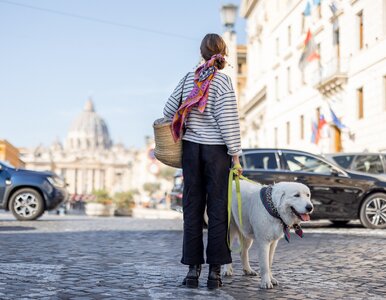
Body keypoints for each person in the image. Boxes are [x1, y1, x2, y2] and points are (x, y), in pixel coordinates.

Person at [163, 33, 242, 289]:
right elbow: (228, 120)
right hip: (216, 152)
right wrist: (236, 156)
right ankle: (214, 274)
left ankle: (192, 272)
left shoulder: (189, 78)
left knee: (192, 209)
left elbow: (168, 110)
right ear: (223, 54)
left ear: (202, 53)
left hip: (191, 152)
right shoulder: (222, 82)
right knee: (218, 210)